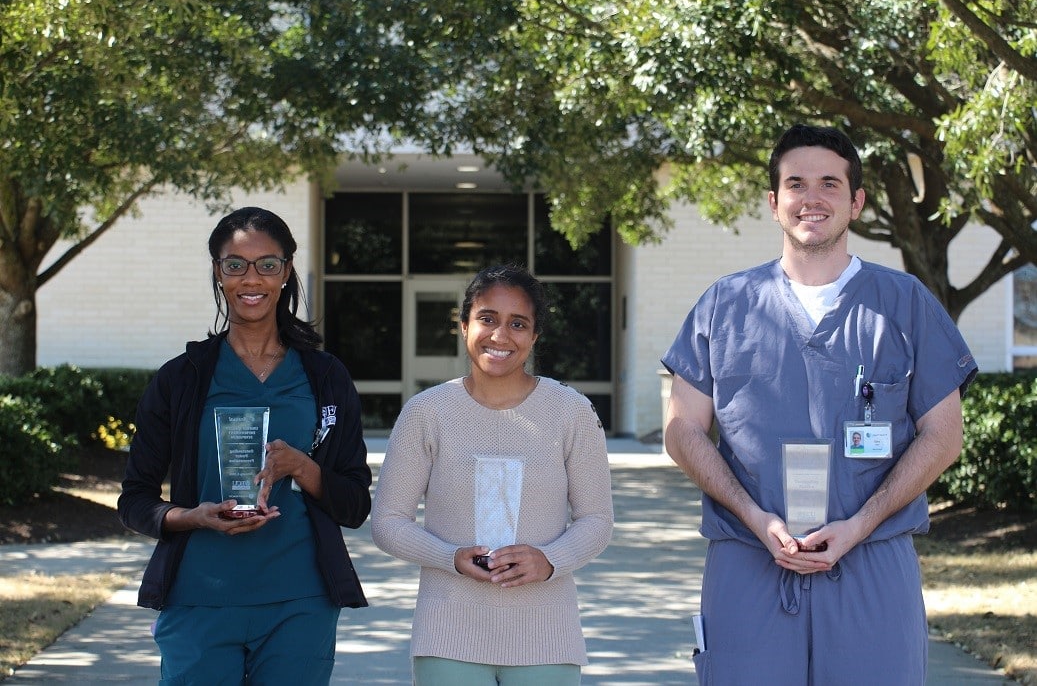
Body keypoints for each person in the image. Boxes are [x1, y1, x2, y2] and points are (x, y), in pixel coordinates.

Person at [661, 124, 977, 685]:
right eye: (796, 183)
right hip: (749, 559)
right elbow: (682, 430)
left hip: (872, 560)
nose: (812, 198)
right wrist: (756, 518)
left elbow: (943, 436)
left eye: (830, 184)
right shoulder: (725, 305)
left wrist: (859, 524)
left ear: (855, 201)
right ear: (774, 202)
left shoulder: (904, 305)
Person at [118, 206, 371, 684]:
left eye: (267, 264)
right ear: (218, 271)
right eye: (235, 264)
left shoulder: (323, 376)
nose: (250, 278)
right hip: (199, 598)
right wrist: (190, 516)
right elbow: (134, 501)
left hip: (301, 600)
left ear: (286, 271)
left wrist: (302, 466)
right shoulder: (182, 378)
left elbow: (356, 503)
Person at [371, 263, 613, 686]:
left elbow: (597, 520)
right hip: (448, 634)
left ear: (535, 336)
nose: (501, 336)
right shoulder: (427, 413)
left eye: (518, 324)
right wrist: (450, 557)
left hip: (545, 637)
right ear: (463, 326)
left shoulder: (570, 411)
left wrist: (550, 560)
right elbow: (388, 523)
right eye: (487, 319)